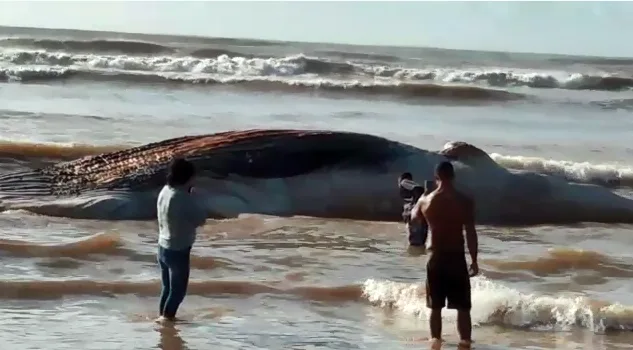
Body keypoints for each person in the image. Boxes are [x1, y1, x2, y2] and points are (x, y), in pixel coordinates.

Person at [411, 161, 479, 348]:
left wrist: (420, 197)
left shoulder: (427, 201)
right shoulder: (465, 200)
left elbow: (414, 217)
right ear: (453, 176)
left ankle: (435, 341)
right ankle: (465, 342)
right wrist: (474, 259)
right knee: (463, 307)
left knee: (435, 307)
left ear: (436, 177)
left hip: (436, 257)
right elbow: (471, 232)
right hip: (456, 256)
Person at [156, 158, 208, 322]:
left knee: (167, 288)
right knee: (178, 292)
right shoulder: (182, 197)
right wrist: (195, 198)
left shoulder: (165, 190)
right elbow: (200, 219)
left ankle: (162, 317)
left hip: (162, 245)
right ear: (188, 177)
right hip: (178, 249)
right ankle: (166, 321)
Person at [398, 173, 428, 247]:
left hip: (414, 213)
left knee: (415, 241)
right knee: (417, 241)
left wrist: (414, 204)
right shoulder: (411, 187)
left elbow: (418, 189)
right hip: (417, 213)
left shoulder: (404, 182)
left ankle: (416, 255)